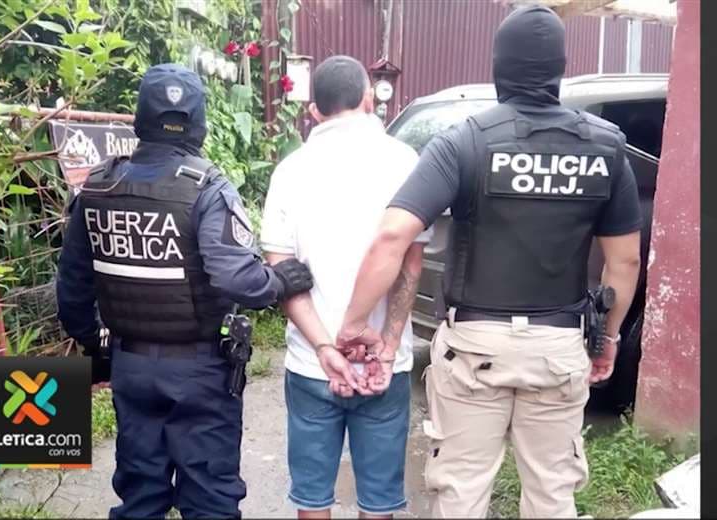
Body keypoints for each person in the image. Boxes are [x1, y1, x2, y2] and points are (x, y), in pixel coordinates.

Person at [337, 6, 642, 519]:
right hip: (558, 347)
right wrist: (606, 338)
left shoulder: (465, 140)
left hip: (475, 348)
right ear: (559, 68)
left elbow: (392, 235)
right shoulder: (606, 148)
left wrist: (353, 323)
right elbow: (625, 261)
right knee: (552, 494)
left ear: (499, 66)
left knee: (461, 491)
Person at [56, 63, 313, 519]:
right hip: (200, 373)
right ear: (198, 122)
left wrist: (97, 346)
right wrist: (280, 281)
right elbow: (237, 279)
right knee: (209, 500)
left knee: (140, 497)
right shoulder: (207, 188)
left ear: (140, 118)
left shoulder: (97, 187)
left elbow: (72, 288)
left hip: (130, 365)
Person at [260, 55, 432, 519]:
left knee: (312, 496)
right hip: (384, 366)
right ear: (369, 99)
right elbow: (411, 261)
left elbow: (282, 271)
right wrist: (388, 345)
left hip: (312, 363)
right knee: (379, 499)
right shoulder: (405, 162)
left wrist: (324, 347)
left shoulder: (290, 170)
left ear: (314, 110)